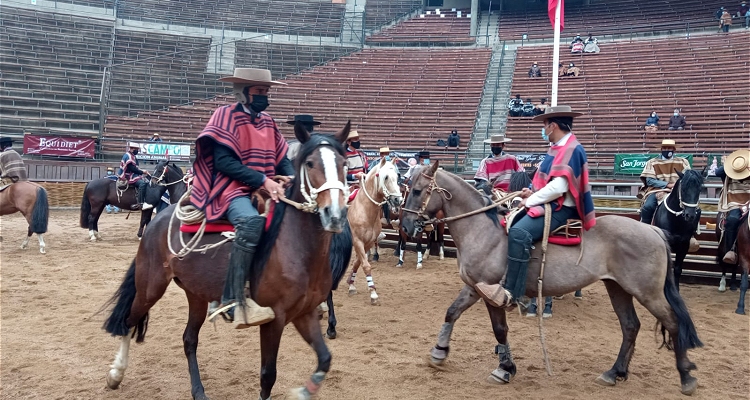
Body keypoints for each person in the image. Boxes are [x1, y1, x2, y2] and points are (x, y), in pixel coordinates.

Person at [190, 68, 294, 329]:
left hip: (267, 188)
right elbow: (223, 163)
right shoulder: (224, 116)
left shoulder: (269, 121)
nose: (264, 97)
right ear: (242, 92)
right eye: (259, 92)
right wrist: (263, 180)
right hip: (231, 189)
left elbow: (282, 159)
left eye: (266, 92)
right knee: (251, 223)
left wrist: (291, 177)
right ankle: (231, 300)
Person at [475, 105, 596, 308]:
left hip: (561, 207)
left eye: (545, 125)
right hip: (550, 201)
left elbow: (559, 187)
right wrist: (531, 191)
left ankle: (513, 293)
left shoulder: (572, 149)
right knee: (508, 222)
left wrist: (529, 200)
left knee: (519, 232)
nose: (544, 130)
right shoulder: (560, 146)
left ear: (553, 126)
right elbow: (550, 182)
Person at [638, 139, 691, 224]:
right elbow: (649, 180)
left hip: (678, 191)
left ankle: (692, 231)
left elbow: (688, 178)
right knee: (648, 207)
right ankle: (645, 227)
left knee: (693, 208)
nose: (667, 150)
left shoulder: (683, 162)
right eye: (665, 148)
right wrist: (668, 185)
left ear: (674, 150)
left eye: (670, 148)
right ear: (661, 149)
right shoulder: (652, 162)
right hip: (657, 190)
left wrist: (677, 185)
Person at [716, 149, 750, 263]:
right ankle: (730, 250)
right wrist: (730, 163)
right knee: (732, 220)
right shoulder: (728, 173)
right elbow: (717, 172)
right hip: (734, 204)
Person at [118, 143, 152, 210]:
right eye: (136, 149)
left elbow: (134, 168)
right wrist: (142, 172)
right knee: (142, 184)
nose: (137, 151)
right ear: (131, 148)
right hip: (128, 176)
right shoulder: (128, 156)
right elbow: (132, 169)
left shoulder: (132, 155)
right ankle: (140, 203)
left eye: (137, 149)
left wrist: (143, 171)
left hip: (131, 174)